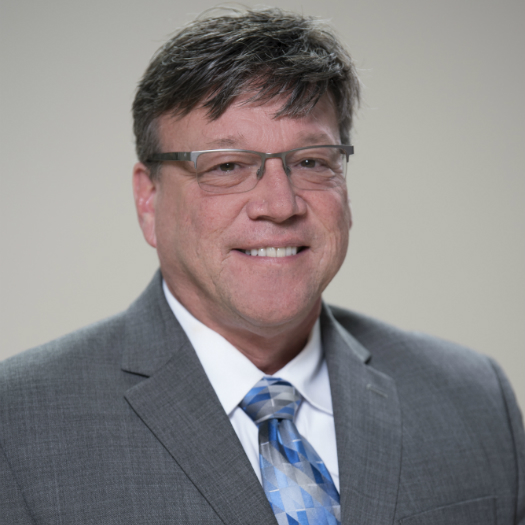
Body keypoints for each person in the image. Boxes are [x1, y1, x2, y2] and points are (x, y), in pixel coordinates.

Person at [1, 6, 523, 524]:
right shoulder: (18, 424)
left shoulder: (475, 400)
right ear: (148, 199)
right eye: (227, 166)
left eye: (312, 162)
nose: (280, 204)